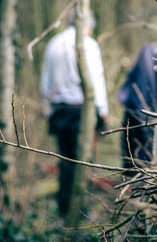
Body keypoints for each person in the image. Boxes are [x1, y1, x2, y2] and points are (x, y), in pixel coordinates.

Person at [40, 12, 108, 215]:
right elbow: (97, 79)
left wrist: (48, 109)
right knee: (84, 159)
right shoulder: (89, 44)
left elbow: (45, 82)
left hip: (60, 110)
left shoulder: (53, 44)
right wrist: (102, 110)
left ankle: (64, 206)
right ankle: (79, 207)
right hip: (82, 109)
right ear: (86, 25)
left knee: (66, 159)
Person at [118, 43, 157, 169]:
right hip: (152, 117)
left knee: (134, 154)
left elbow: (124, 94)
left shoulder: (138, 68)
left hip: (134, 117)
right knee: (146, 153)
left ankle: (133, 178)